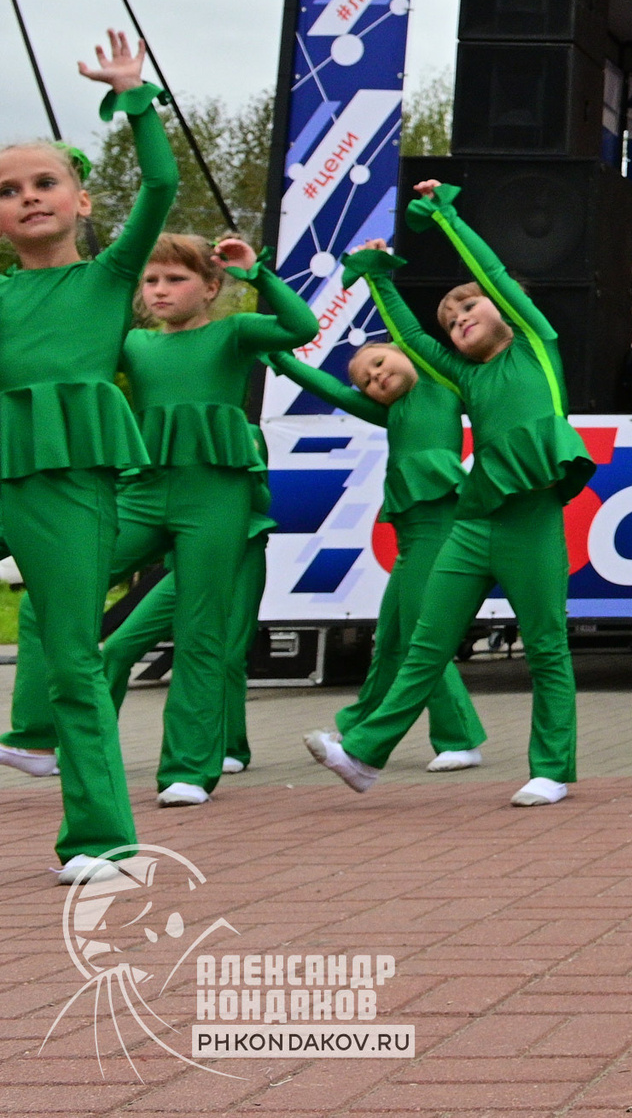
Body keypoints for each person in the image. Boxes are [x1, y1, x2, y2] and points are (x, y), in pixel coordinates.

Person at [305, 179, 597, 805]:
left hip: (532, 521)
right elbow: (409, 338)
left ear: (501, 309)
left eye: (469, 309)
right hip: (475, 520)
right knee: (425, 645)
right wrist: (380, 279)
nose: (460, 318)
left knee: (546, 646)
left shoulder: (537, 345)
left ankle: (551, 769)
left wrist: (445, 216)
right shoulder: (460, 374)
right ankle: (363, 755)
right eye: (451, 319)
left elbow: (490, 274)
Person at [10, 234, 318, 806]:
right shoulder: (133, 344)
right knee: (47, 594)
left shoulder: (234, 332)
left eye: (174, 279)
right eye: (150, 280)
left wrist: (260, 275)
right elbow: (63, 349)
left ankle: (187, 770)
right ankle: (35, 736)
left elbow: (300, 327)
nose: (158, 289)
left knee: (202, 630)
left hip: (215, 497)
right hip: (143, 491)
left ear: (210, 286)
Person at [0, 31, 166, 881]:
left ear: (82, 201)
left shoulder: (106, 278)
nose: (26, 198)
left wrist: (133, 96)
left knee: (72, 654)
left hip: (68, 477)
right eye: (7, 191)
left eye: (43, 183)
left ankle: (102, 837)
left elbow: (164, 184)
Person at [268, 340, 486, 772]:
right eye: (367, 381)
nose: (376, 378)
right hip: (412, 538)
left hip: (438, 528)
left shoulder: (440, 384)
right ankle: (358, 727)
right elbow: (331, 390)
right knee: (390, 638)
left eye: (380, 363)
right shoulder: (389, 412)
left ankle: (459, 737)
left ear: (405, 354)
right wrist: (277, 355)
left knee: (423, 637)